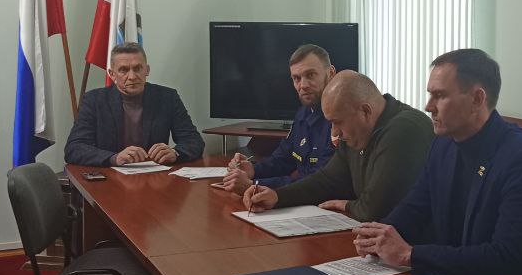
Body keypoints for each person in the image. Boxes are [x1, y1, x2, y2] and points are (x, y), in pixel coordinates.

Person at [353, 49, 522, 275]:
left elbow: (507, 256)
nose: (428, 106)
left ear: (477, 99)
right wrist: (377, 238)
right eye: (430, 95)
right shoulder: (443, 144)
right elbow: (415, 208)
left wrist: (409, 255)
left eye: (439, 96)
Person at [243, 71, 432, 221]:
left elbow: (375, 210)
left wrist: (346, 205)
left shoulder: (405, 129)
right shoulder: (356, 132)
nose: (334, 133)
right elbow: (327, 180)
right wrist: (277, 196)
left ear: (365, 111)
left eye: (337, 122)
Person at [65, 42, 204, 166]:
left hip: (155, 178)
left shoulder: (167, 97)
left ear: (147, 70)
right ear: (112, 74)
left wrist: (175, 153)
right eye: (123, 70)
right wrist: (114, 158)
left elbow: (194, 141)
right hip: (110, 178)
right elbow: (74, 148)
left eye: (137, 68)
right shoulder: (94, 100)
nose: (132, 76)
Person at [220, 44, 336, 193]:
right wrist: (253, 170)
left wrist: (254, 184)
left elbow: (318, 181)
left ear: (331, 73)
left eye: (311, 75)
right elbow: (282, 159)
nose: (303, 85)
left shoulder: (341, 120)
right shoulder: (303, 113)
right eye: (296, 78)